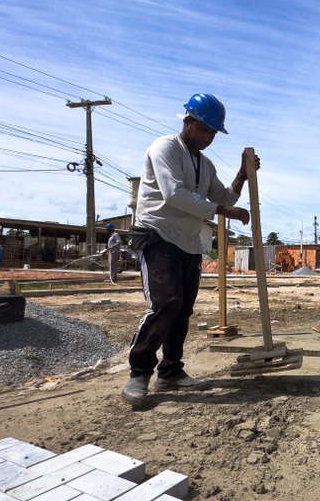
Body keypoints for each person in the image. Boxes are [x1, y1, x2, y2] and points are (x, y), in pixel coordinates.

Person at [122, 93, 257, 406]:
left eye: (212, 133)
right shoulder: (165, 148)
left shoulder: (205, 164)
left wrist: (242, 174)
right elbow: (174, 194)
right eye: (204, 130)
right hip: (157, 236)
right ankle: (139, 372)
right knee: (166, 302)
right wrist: (223, 211)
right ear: (188, 121)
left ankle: (170, 371)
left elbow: (226, 196)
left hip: (188, 243)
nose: (208, 137)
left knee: (182, 310)